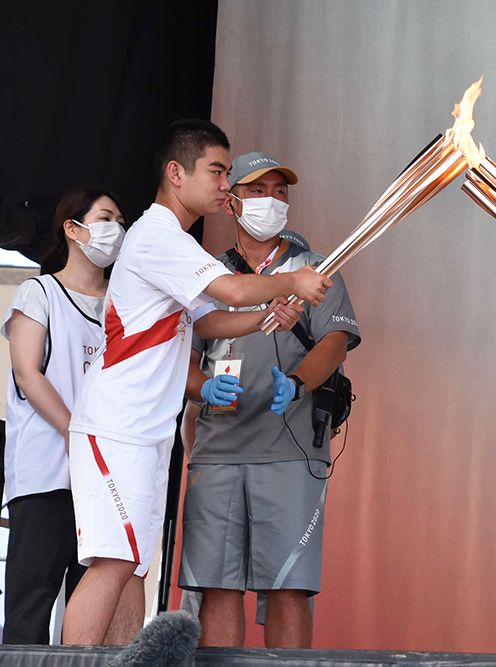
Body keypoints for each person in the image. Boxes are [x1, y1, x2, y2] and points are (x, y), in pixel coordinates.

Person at [61, 119, 333, 646]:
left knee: (135, 567)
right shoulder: (158, 235)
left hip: (147, 431)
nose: (225, 183)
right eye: (216, 170)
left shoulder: (177, 243)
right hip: (116, 424)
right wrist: (292, 280)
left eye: (228, 172)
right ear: (175, 172)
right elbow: (230, 290)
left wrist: (266, 313)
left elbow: (207, 320)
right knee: (113, 564)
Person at [178, 151, 360, 648]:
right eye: (259, 191)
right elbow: (181, 355)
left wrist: (298, 382)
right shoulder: (206, 275)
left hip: (292, 452)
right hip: (218, 451)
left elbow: (334, 342)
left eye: (281, 193)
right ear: (232, 200)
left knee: (289, 587)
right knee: (216, 585)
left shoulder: (315, 269)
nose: (272, 201)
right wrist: (201, 389)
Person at [2, 186, 132, 644]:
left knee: (89, 610)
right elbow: (26, 373)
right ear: (73, 229)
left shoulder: (127, 306)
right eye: (105, 217)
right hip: (47, 476)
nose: (115, 228)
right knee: (31, 601)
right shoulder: (40, 292)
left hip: (104, 482)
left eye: (120, 219)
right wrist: (75, 433)